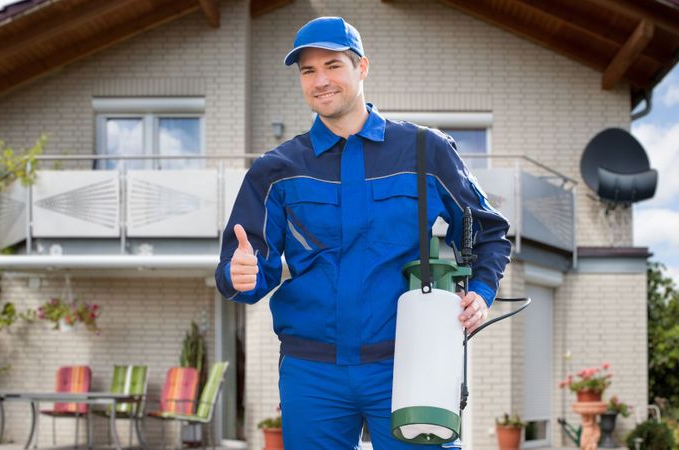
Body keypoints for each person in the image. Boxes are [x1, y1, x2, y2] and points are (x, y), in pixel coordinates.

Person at [215, 16, 511, 449]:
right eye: (308, 70)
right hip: (312, 372)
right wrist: (238, 276)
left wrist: (482, 294)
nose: (320, 80)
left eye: (333, 65)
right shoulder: (275, 170)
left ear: (362, 67)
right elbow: (242, 269)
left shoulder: (426, 150)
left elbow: (489, 232)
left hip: (413, 362)